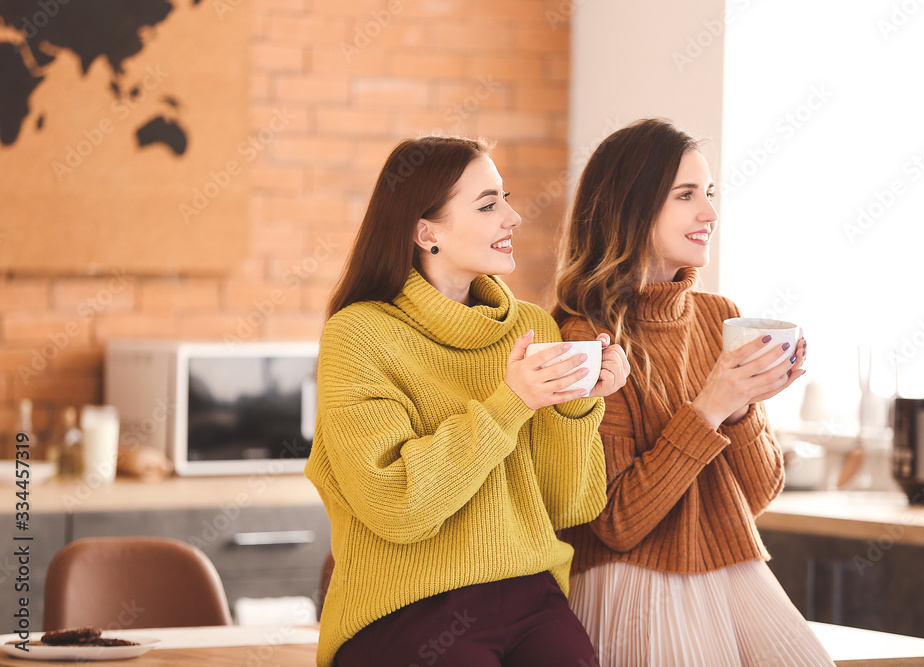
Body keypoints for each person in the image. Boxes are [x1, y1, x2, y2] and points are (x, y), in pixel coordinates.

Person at [305, 135, 630, 667]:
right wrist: (510, 403)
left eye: (505, 198)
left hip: (531, 591)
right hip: (410, 601)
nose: (514, 217)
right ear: (425, 231)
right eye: (488, 204)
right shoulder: (359, 336)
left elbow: (569, 505)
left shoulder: (529, 326)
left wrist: (575, 405)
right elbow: (397, 505)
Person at [552, 118, 834, 666]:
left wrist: (742, 407)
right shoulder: (588, 338)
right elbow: (618, 521)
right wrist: (710, 407)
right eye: (686, 196)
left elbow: (756, 494)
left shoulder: (720, 317)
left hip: (730, 570)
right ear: (630, 207)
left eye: (709, 195)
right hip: (631, 581)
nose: (709, 214)